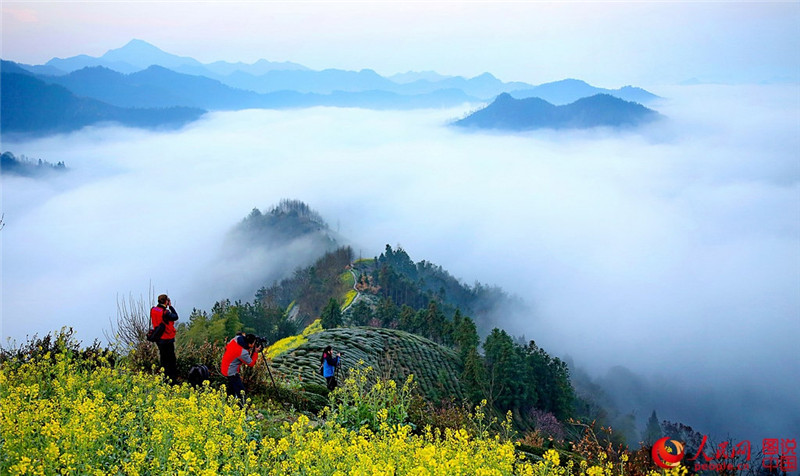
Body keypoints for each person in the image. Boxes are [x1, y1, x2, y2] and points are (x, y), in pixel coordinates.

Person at [220, 333, 262, 404]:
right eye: (254, 343)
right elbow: (251, 363)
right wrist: (255, 352)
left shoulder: (236, 339)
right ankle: (241, 407)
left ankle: (229, 405)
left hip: (225, 366)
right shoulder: (242, 352)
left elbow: (228, 346)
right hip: (231, 371)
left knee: (232, 389)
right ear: (250, 344)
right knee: (241, 391)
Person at [150, 294, 179, 384]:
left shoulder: (153, 310)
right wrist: (170, 306)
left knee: (163, 360)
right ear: (166, 301)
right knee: (171, 361)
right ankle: (172, 380)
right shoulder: (165, 312)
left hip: (158, 338)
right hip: (167, 338)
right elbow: (175, 316)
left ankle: (164, 379)